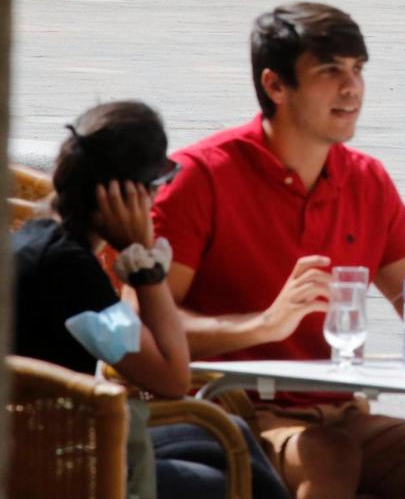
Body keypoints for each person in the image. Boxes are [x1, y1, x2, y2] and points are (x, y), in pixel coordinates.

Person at [152, 3, 405, 499]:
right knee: (328, 456)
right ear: (275, 86)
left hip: (343, 415)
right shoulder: (200, 176)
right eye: (329, 71)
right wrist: (263, 325)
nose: (352, 87)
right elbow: (144, 324)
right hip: (225, 414)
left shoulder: (368, 180)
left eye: (357, 69)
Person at [11, 101, 288, 499]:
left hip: (47, 443)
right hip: (53, 468)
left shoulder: (37, 238)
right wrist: (145, 266)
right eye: (156, 188)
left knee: (235, 437)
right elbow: (172, 377)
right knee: (233, 475)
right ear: (124, 196)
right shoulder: (68, 270)